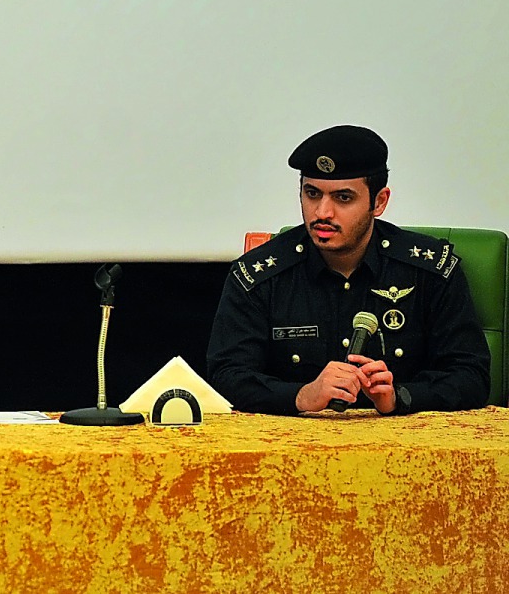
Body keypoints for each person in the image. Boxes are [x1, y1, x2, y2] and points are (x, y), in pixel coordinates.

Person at [206, 125, 490, 415]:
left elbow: (471, 376)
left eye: (343, 198)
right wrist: (300, 395)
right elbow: (226, 375)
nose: (322, 213)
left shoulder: (429, 270)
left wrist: (400, 397)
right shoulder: (259, 275)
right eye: (312, 194)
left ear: (379, 202)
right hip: (296, 448)